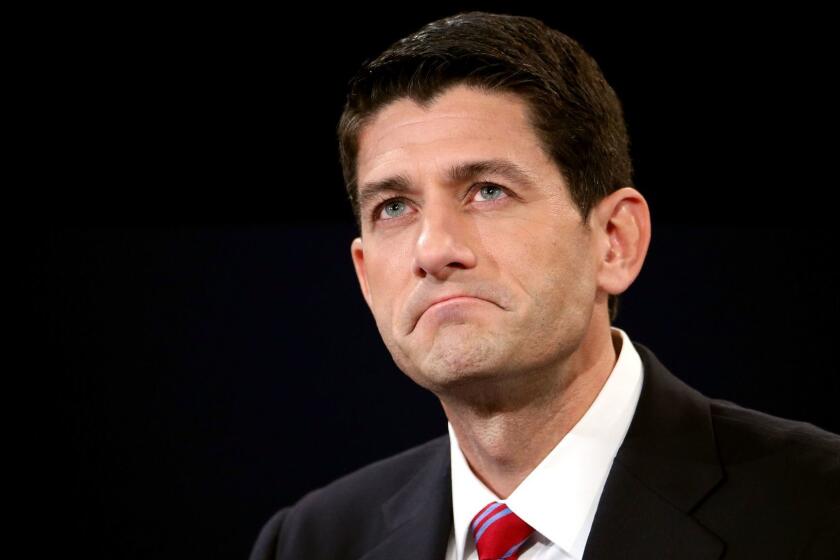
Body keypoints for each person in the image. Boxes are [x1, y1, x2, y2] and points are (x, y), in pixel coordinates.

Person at [250, 11, 839, 560]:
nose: (433, 250)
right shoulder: (311, 540)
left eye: (487, 191)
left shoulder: (818, 507)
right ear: (364, 277)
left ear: (615, 240)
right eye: (395, 207)